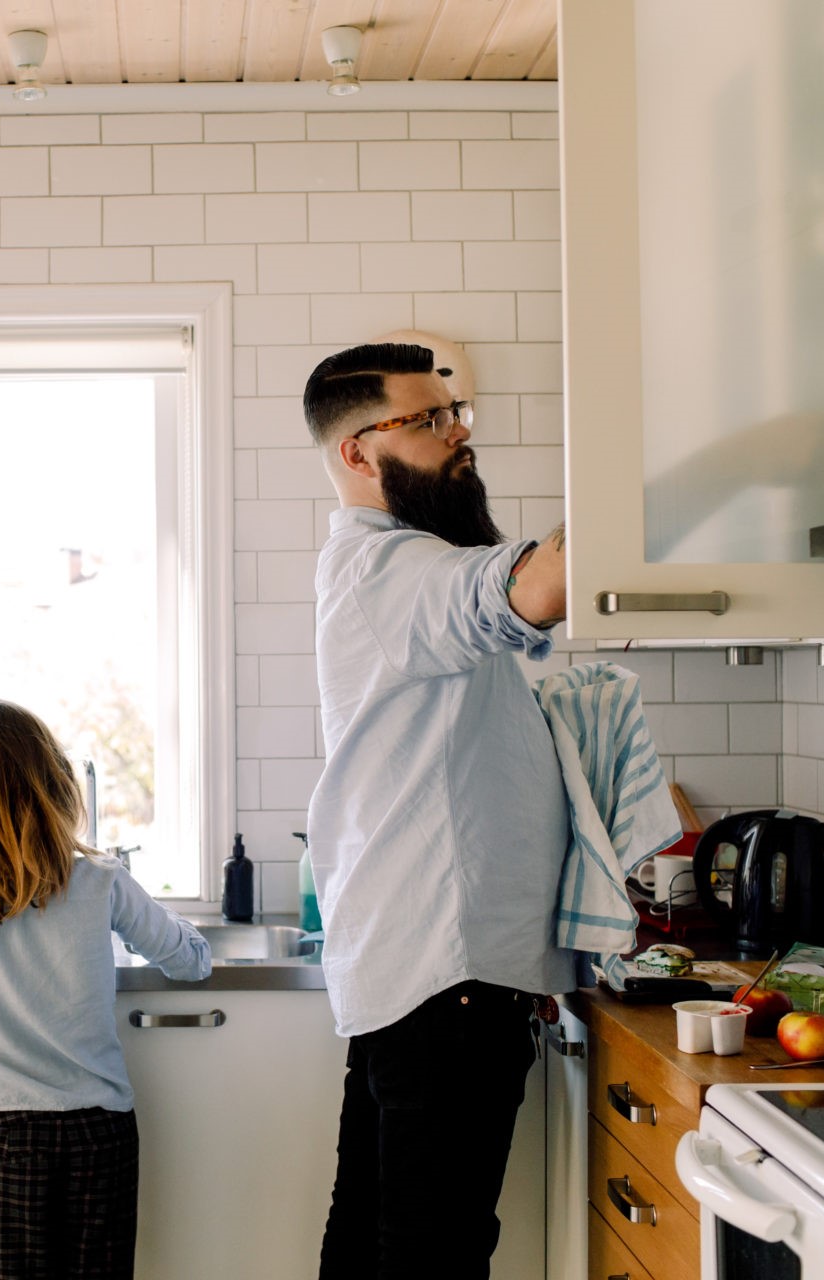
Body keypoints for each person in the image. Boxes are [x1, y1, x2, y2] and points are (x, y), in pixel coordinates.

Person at [301, 340, 569, 1279]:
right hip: (445, 979)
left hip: (422, 971)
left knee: (379, 1242)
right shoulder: (393, 572)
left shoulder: (388, 569)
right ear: (358, 452)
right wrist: (640, 474)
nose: (460, 435)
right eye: (428, 420)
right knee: (433, 1255)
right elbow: (531, 587)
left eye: (457, 416)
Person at [0, 700, 211, 1280]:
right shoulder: (100, 879)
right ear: (56, 784)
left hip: (1, 1131)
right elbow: (191, 963)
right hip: (98, 1129)